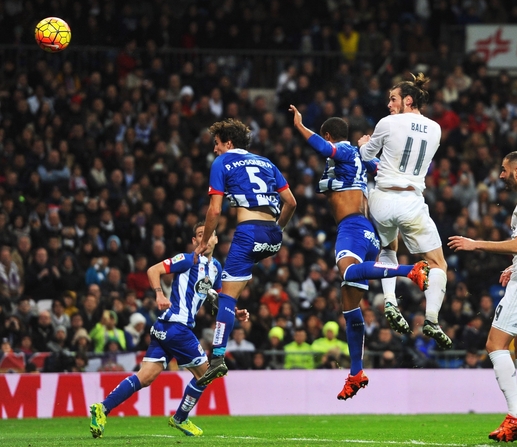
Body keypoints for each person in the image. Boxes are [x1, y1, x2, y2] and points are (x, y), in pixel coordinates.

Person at [289, 105, 429, 399]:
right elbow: (383, 172)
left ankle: (409, 271)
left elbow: (322, 146)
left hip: (352, 227)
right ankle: (355, 372)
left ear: (330, 134)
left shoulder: (345, 150)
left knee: (348, 271)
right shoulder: (362, 159)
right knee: (350, 307)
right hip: (367, 230)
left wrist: (300, 126)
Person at [89, 222, 249, 438]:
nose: (205, 238)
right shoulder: (187, 259)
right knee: (207, 373)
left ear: (216, 238)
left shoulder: (216, 268)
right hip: (177, 327)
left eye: (208, 234)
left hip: (165, 328)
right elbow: (153, 270)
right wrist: (159, 293)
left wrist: (234, 311)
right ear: (195, 241)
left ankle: (102, 408)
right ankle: (180, 418)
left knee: (145, 377)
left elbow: (218, 297)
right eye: (200, 235)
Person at [448, 151, 517, 443]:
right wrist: (514, 265)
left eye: (503, 170)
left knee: (495, 344)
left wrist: (476, 244)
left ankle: (516, 415)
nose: (500, 175)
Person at [194, 118, 297, 386]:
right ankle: (224, 304)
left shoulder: (222, 162)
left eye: (217, 144)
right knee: (228, 295)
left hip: (248, 232)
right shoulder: (266, 162)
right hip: (272, 237)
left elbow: (215, 210)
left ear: (228, 143)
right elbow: (291, 202)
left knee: (225, 299)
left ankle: (216, 357)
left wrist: (204, 241)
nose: (215, 150)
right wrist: (278, 230)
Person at [358, 73, 451, 350]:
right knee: (437, 264)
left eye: (393, 98)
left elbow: (366, 157)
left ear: (408, 100)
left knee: (388, 249)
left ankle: (389, 302)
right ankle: (432, 319)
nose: (389, 104)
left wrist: (364, 144)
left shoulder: (387, 123)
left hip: (383, 199)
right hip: (412, 200)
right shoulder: (436, 129)